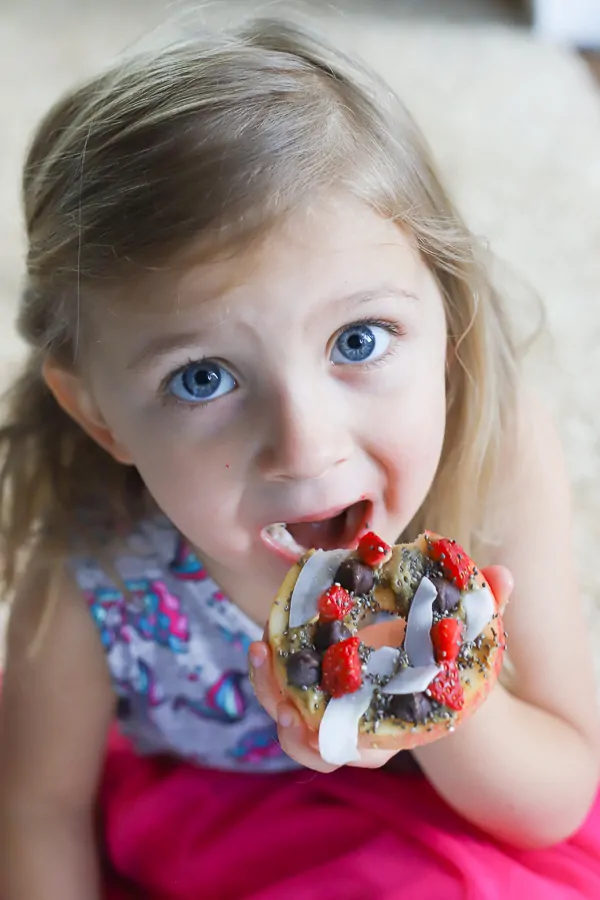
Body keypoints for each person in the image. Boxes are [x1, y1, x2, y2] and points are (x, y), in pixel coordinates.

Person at [0, 13, 598, 900]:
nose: (306, 446)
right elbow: (37, 810)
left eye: (358, 339)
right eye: (203, 378)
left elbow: (557, 796)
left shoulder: (494, 453)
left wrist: (431, 698)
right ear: (101, 418)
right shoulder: (94, 566)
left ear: (448, 324)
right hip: (212, 822)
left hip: (454, 802)